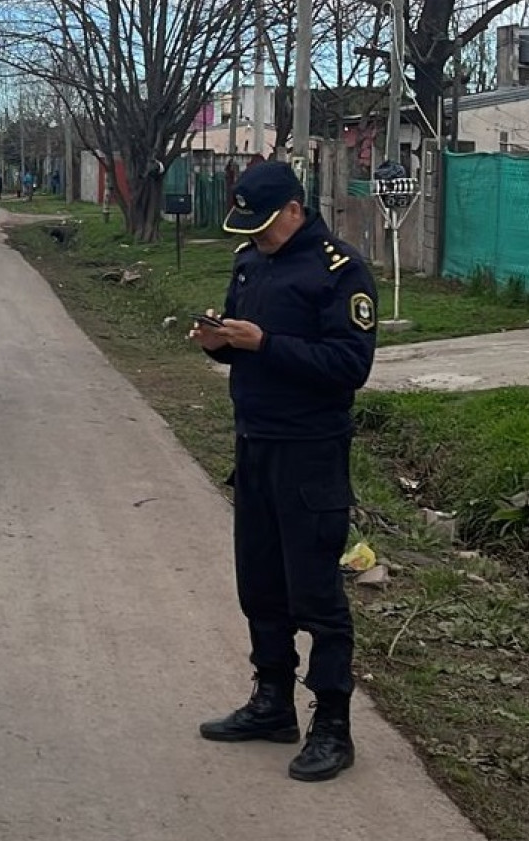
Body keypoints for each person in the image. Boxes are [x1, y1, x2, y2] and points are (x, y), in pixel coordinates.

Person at [188, 160, 378, 783]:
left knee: (316, 596)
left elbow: (349, 366)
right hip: (255, 444)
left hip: (311, 453)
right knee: (260, 584)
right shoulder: (250, 261)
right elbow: (242, 340)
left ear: (296, 210)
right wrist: (220, 342)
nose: (257, 235)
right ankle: (272, 703)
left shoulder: (339, 271)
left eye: (265, 225)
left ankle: (333, 726)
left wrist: (263, 343)